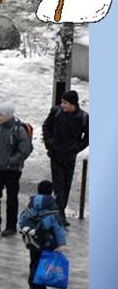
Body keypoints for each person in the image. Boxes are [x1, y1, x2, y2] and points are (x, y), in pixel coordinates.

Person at [41, 90, 89, 226]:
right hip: (55, 154)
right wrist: (49, 143)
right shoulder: (56, 112)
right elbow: (46, 126)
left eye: (65, 103)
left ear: (73, 104)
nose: (62, 105)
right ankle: (59, 212)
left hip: (69, 156)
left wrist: (76, 148)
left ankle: (60, 210)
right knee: (59, 184)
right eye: (62, 102)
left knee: (66, 184)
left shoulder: (83, 117)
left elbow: (88, 137)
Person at [0, 105, 33, 237]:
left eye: (0, 115)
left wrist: (11, 161)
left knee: (12, 198)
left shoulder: (18, 130)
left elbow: (25, 150)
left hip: (12, 170)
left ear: (8, 116)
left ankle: (11, 226)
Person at [18, 181, 68, 289]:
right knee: (43, 266)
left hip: (32, 241)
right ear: (51, 192)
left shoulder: (32, 204)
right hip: (46, 242)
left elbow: (22, 219)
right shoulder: (52, 207)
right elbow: (58, 227)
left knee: (33, 263)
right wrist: (62, 243)